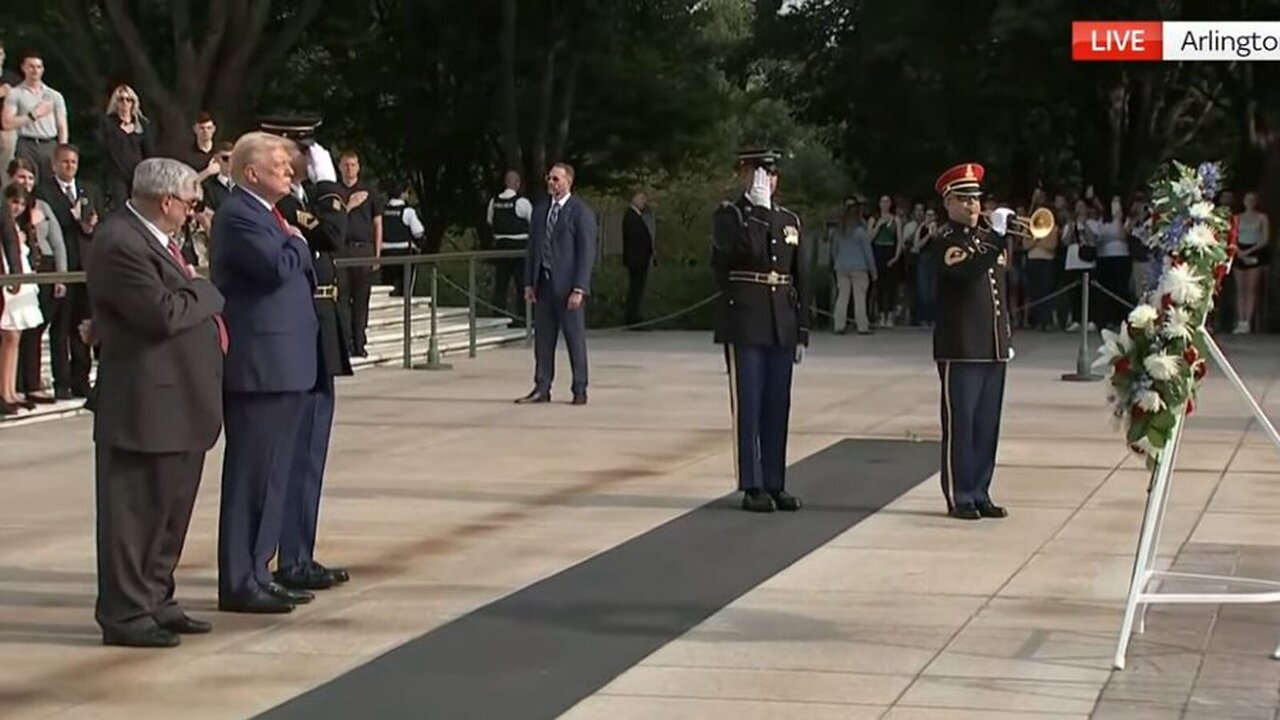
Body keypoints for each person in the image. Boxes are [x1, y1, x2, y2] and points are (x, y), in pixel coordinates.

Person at [85, 158, 225, 647]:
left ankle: (157, 598)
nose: (193, 212)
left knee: (169, 510)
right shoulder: (121, 241)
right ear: (165, 201)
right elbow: (161, 313)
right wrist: (206, 291)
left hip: (178, 400)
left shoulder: (156, 239)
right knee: (134, 515)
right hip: (143, 402)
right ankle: (126, 612)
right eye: (189, 203)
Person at [210, 131, 319, 614]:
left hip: (285, 365)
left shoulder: (268, 214)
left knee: (274, 477)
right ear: (250, 172)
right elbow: (275, 266)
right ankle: (239, 578)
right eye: (277, 162)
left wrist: (294, 241)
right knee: (252, 476)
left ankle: (258, 568)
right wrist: (298, 244)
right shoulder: (240, 214)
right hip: (261, 367)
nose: (287, 169)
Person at [266, 116, 353, 591]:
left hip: (322, 333)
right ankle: (282, 555)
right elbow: (333, 234)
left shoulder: (297, 200)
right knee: (292, 453)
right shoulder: (280, 202)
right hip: (298, 338)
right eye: (304, 150)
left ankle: (299, 553)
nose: (309, 156)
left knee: (311, 454)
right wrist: (327, 185)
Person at [711, 149, 813, 513]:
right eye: (757, 174)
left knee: (777, 405)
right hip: (747, 318)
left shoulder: (790, 219)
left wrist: (801, 329)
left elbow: (800, 275)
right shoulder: (731, 215)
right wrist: (756, 212)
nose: (765, 181)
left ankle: (775, 481)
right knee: (749, 405)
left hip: (780, 319)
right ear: (743, 176)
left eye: (769, 174)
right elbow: (740, 257)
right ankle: (752, 483)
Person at [931, 162, 1013, 521]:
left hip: (991, 344)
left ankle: (980, 489)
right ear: (948, 203)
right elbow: (967, 273)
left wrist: (1005, 334)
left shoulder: (986, 241)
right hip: (961, 345)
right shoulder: (945, 240)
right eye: (963, 199)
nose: (972, 206)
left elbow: (1000, 292)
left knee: (986, 424)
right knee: (961, 423)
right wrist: (996, 238)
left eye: (976, 199)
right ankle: (959, 493)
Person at [515, 162, 597, 406]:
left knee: (574, 339)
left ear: (568, 182)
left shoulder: (580, 212)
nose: (551, 183)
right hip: (544, 285)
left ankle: (579, 387)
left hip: (568, 287)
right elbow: (533, 249)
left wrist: (580, 288)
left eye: (556, 179)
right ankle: (542, 386)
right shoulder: (541, 211)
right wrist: (529, 282)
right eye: (549, 179)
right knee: (543, 339)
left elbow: (586, 253)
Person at [486, 170, 532, 315]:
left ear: (505, 183)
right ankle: (524, 317)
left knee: (500, 284)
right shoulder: (522, 202)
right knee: (522, 284)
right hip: (520, 249)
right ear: (517, 184)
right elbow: (533, 221)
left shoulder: (494, 202)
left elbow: (489, 221)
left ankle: (498, 315)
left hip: (501, 247)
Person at [622, 191, 656, 327]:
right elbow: (635, 239)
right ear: (634, 199)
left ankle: (635, 314)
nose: (644, 202)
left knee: (638, 289)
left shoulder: (636, 216)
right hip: (636, 260)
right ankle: (632, 317)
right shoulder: (631, 216)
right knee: (635, 289)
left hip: (640, 260)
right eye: (641, 198)